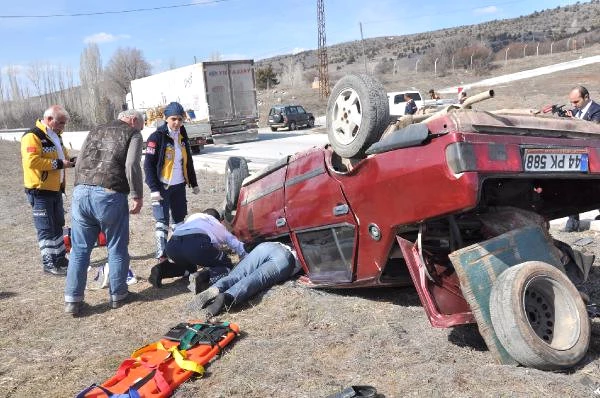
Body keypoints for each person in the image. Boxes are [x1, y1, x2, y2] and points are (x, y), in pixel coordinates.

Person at [64, 109, 144, 315]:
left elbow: (80, 159)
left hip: (81, 191)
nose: (140, 129)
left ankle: (73, 300)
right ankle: (118, 295)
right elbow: (132, 164)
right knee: (116, 246)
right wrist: (136, 194)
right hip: (109, 194)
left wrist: (80, 187)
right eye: (141, 126)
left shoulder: (95, 129)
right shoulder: (132, 133)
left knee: (80, 250)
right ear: (134, 121)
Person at [21, 105, 75, 276]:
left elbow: (63, 157)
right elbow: (32, 162)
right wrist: (59, 164)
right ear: (49, 119)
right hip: (40, 190)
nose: (62, 127)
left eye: (64, 124)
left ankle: (60, 258)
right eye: (60, 123)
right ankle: (49, 262)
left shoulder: (56, 136)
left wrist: (73, 160)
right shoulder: (32, 136)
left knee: (58, 224)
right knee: (46, 228)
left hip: (56, 189)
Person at [144, 102, 200, 262]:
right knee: (162, 222)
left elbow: (188, 160)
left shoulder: (182, 135)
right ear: (165, 118)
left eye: (180, 119)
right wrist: (154, 189)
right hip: (162, 187)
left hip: (179, 186)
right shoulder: (156, 137)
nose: (177, 123)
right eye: (173, 119)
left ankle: (178, 254)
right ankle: (161, 256)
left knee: (179, 221)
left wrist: (193, 182)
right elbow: (148, 166)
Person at [187, 242, 302, 317]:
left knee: (236, 274)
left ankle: (216, 288)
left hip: (268, 246)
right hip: (287, 258)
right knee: (255, 279)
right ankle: (228, 296)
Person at [148, 208, 248, 293]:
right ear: (220, 220)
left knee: (190, 268)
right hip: (196, 244)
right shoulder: (218, 225)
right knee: (226, 264)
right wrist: (247, 255)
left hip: (173, 245)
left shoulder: (193, 218)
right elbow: (238, 246)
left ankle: (162, 270)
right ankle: (202, 278)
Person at [563, 85, 600, 232]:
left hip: (594, 156)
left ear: (586, 97)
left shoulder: (597, 110)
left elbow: (594, 129)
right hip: (578, 155)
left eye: (576, 101)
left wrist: (575, 120)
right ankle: (573, 220)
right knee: (573, 184)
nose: (573, 105)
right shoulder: (577, 111)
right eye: (571, 102)